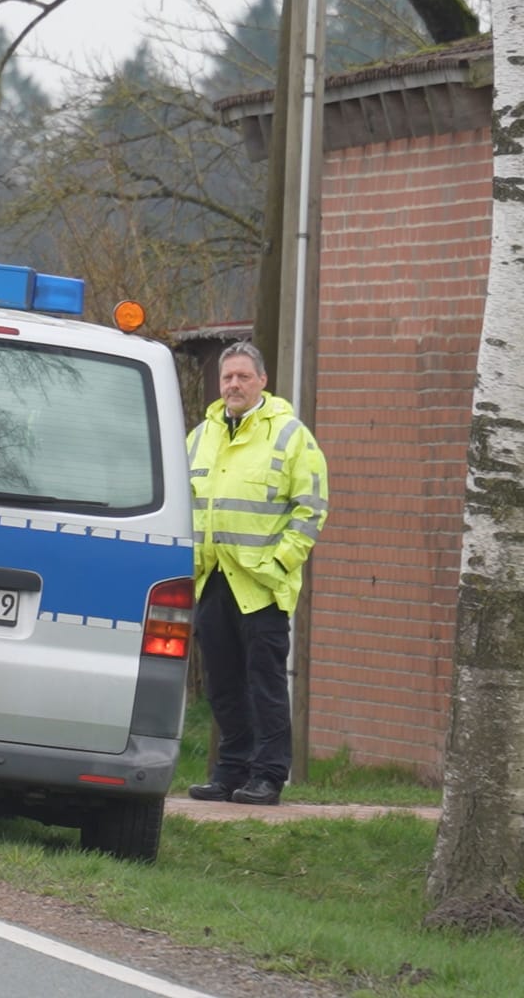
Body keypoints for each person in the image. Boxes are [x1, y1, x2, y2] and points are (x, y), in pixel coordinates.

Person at [185, 341, 328, 806]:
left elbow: (311, 508)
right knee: (223, 685)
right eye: (227, 378)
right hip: (212, 579)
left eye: (244, 377)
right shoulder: (200, 435)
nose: (234, 385)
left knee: (265, 684)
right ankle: (231, 771)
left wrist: (282, 561)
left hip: (262, 585)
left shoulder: (290, 435)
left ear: (262, 381)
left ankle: (268, 775)